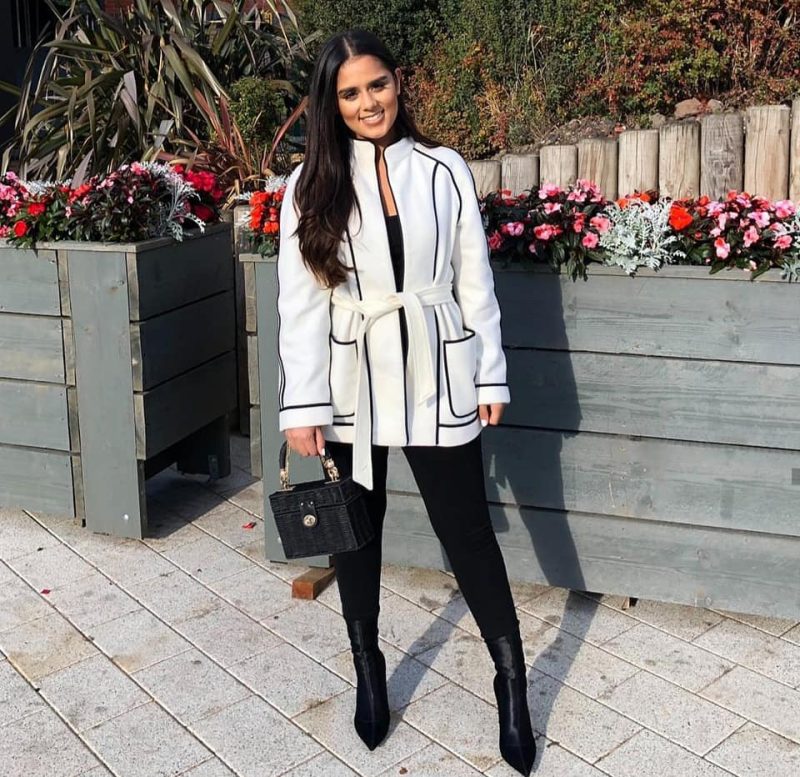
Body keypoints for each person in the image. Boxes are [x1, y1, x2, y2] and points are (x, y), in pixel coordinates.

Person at [277, 29, 536, 777]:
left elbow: (474, 282)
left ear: (399, 82)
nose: (368, 103)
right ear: (331, 103)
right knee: (355, 533)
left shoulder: (444, 168)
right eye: (350, 93)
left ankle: (511, 681)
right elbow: (300, 305)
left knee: (468, 532)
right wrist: (302, 404)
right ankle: (368, 668)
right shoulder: (309, 184)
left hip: (437, 370)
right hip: (351, 378)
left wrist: (490, 375)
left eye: (378, 85)